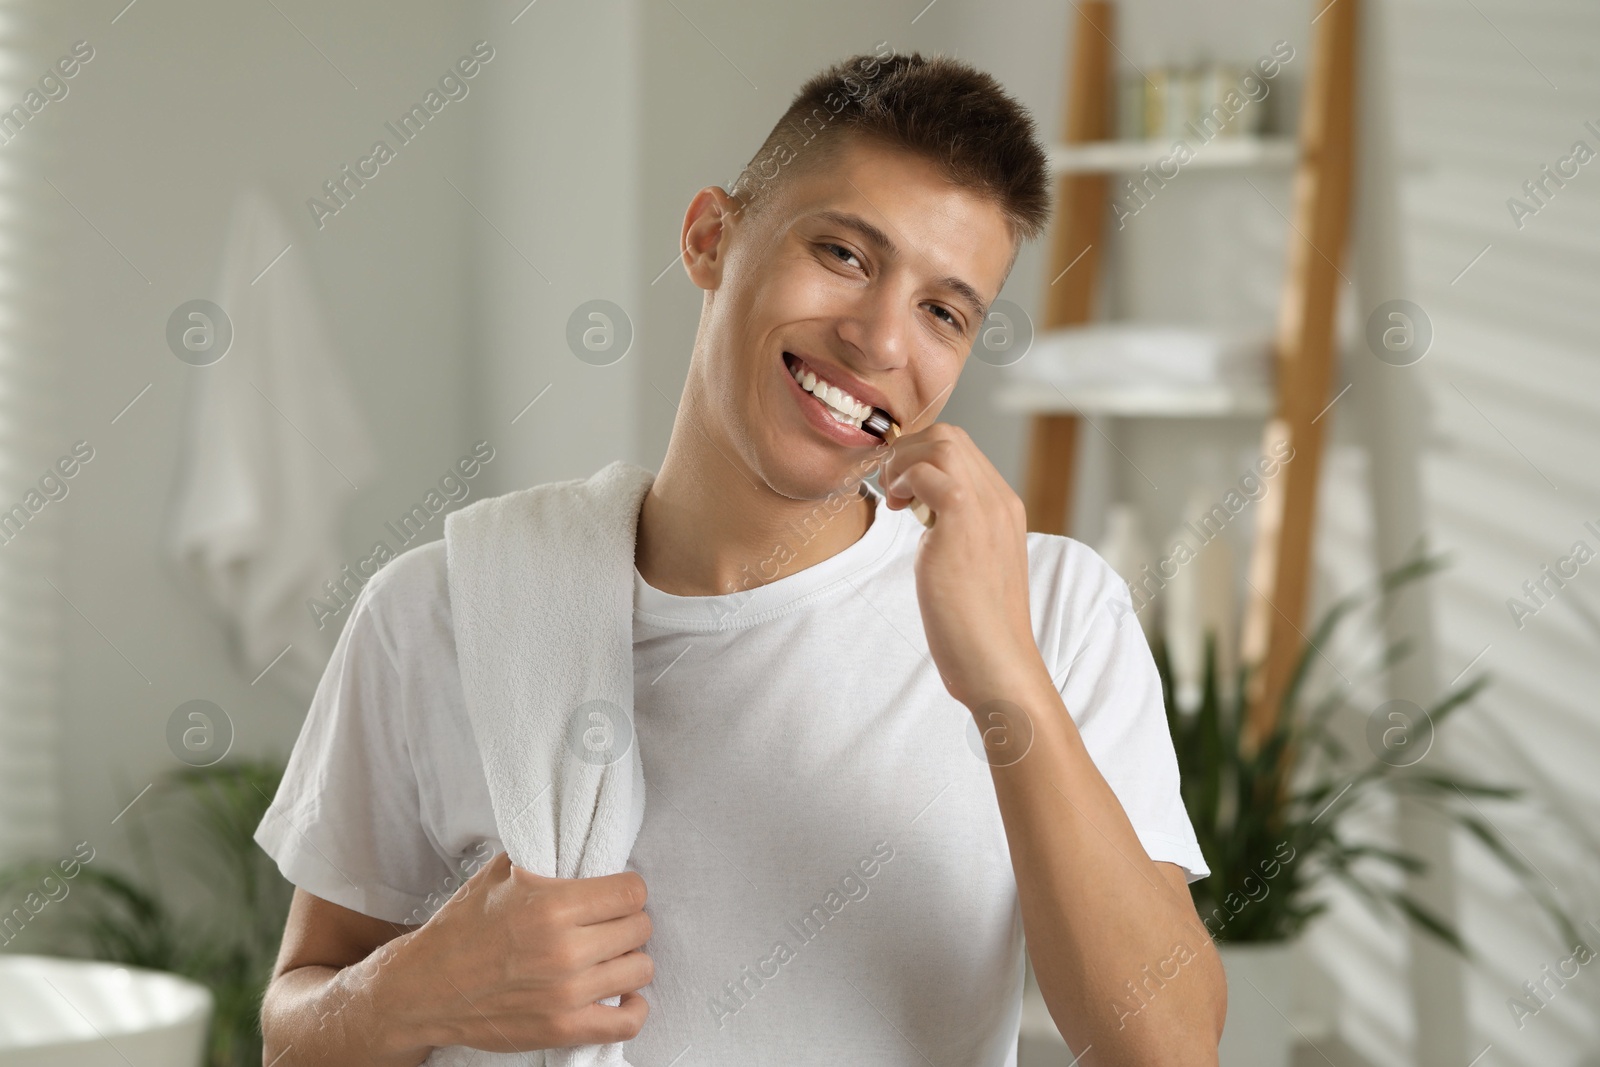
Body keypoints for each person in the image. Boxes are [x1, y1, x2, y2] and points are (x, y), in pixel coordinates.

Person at [258, 47, 1226, 1065]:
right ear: (710, 237)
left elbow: (1163, 1052)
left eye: (943, 310)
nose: (878, 340)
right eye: (845, 254)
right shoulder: (443, 612)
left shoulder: (1054, 611)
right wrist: (416, 993)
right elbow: (293, 1029)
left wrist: (1002, 677)